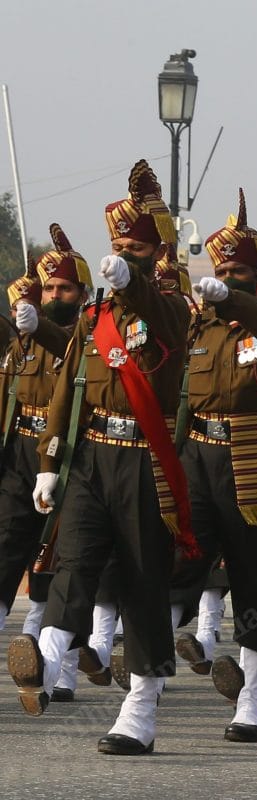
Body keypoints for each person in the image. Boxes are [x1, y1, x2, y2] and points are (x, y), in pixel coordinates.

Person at [8, 160, 193, 755]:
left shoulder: (168, 306)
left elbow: (158, 314)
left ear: (155, 249)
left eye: (133, 246)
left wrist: (133, 280)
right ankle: (49, 653)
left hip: (145, 461)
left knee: (142, 583)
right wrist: (48, 458)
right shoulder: (95, 318)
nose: (121, 254)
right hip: (92, 456)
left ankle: (140, 706)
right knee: (74, 558)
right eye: (115, 245)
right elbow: (69, 389)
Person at [173, 189, 257, 741]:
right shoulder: (199, 330)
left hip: (252, 458)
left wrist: (238, 299)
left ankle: (254, 700)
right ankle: (141, 697)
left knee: (253, 582)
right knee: (177, 568)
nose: (229, 277)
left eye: (241, 270)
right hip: (198, 457)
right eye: (222, 268)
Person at [0, 227, 88, 642]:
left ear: (83, 294)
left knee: (54, 549)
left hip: (64, 451)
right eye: (49, 287)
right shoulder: (25, 341)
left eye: (65, 288)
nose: (54, 295)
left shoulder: (86, 340)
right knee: (7, 537)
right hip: (20, 448)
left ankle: (41, 634)